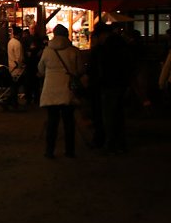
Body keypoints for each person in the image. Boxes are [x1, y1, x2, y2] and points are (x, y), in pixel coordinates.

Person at [37, 23, 84, 159]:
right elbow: (80, 69)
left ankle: (49, 151)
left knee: (52, 122)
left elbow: (40, 69)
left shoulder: (47, 51)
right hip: (67, 89)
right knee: (69, 122)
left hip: (50, 90)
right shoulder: (73, 51)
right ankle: (69, 150)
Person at [87, 22, 132, 154]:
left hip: (108, 85)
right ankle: (120, 143)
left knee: (109, 116)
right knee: (117, 115)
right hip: (119, 84)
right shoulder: (121, 45)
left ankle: (111, 144)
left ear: (102, 35)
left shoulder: (105, 48)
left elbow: (101, 68)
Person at [7, 25, 25, 108]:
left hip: (11, 66)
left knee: (13, 86)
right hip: (17, 67)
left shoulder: (10, 42)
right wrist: (21, 65)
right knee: (16, 86)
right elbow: (19, 57)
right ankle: (14, 102)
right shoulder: (17, 43)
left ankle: (12, 101)